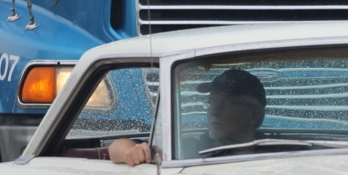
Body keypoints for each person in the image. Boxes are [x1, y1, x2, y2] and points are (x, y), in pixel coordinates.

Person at [107, 68, 266, 165]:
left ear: (254, 114)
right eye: (211, 103)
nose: (213, 111)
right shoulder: (187, 148)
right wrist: (132, 152)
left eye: (226, 104)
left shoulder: (276, 149)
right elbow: (116, 148)